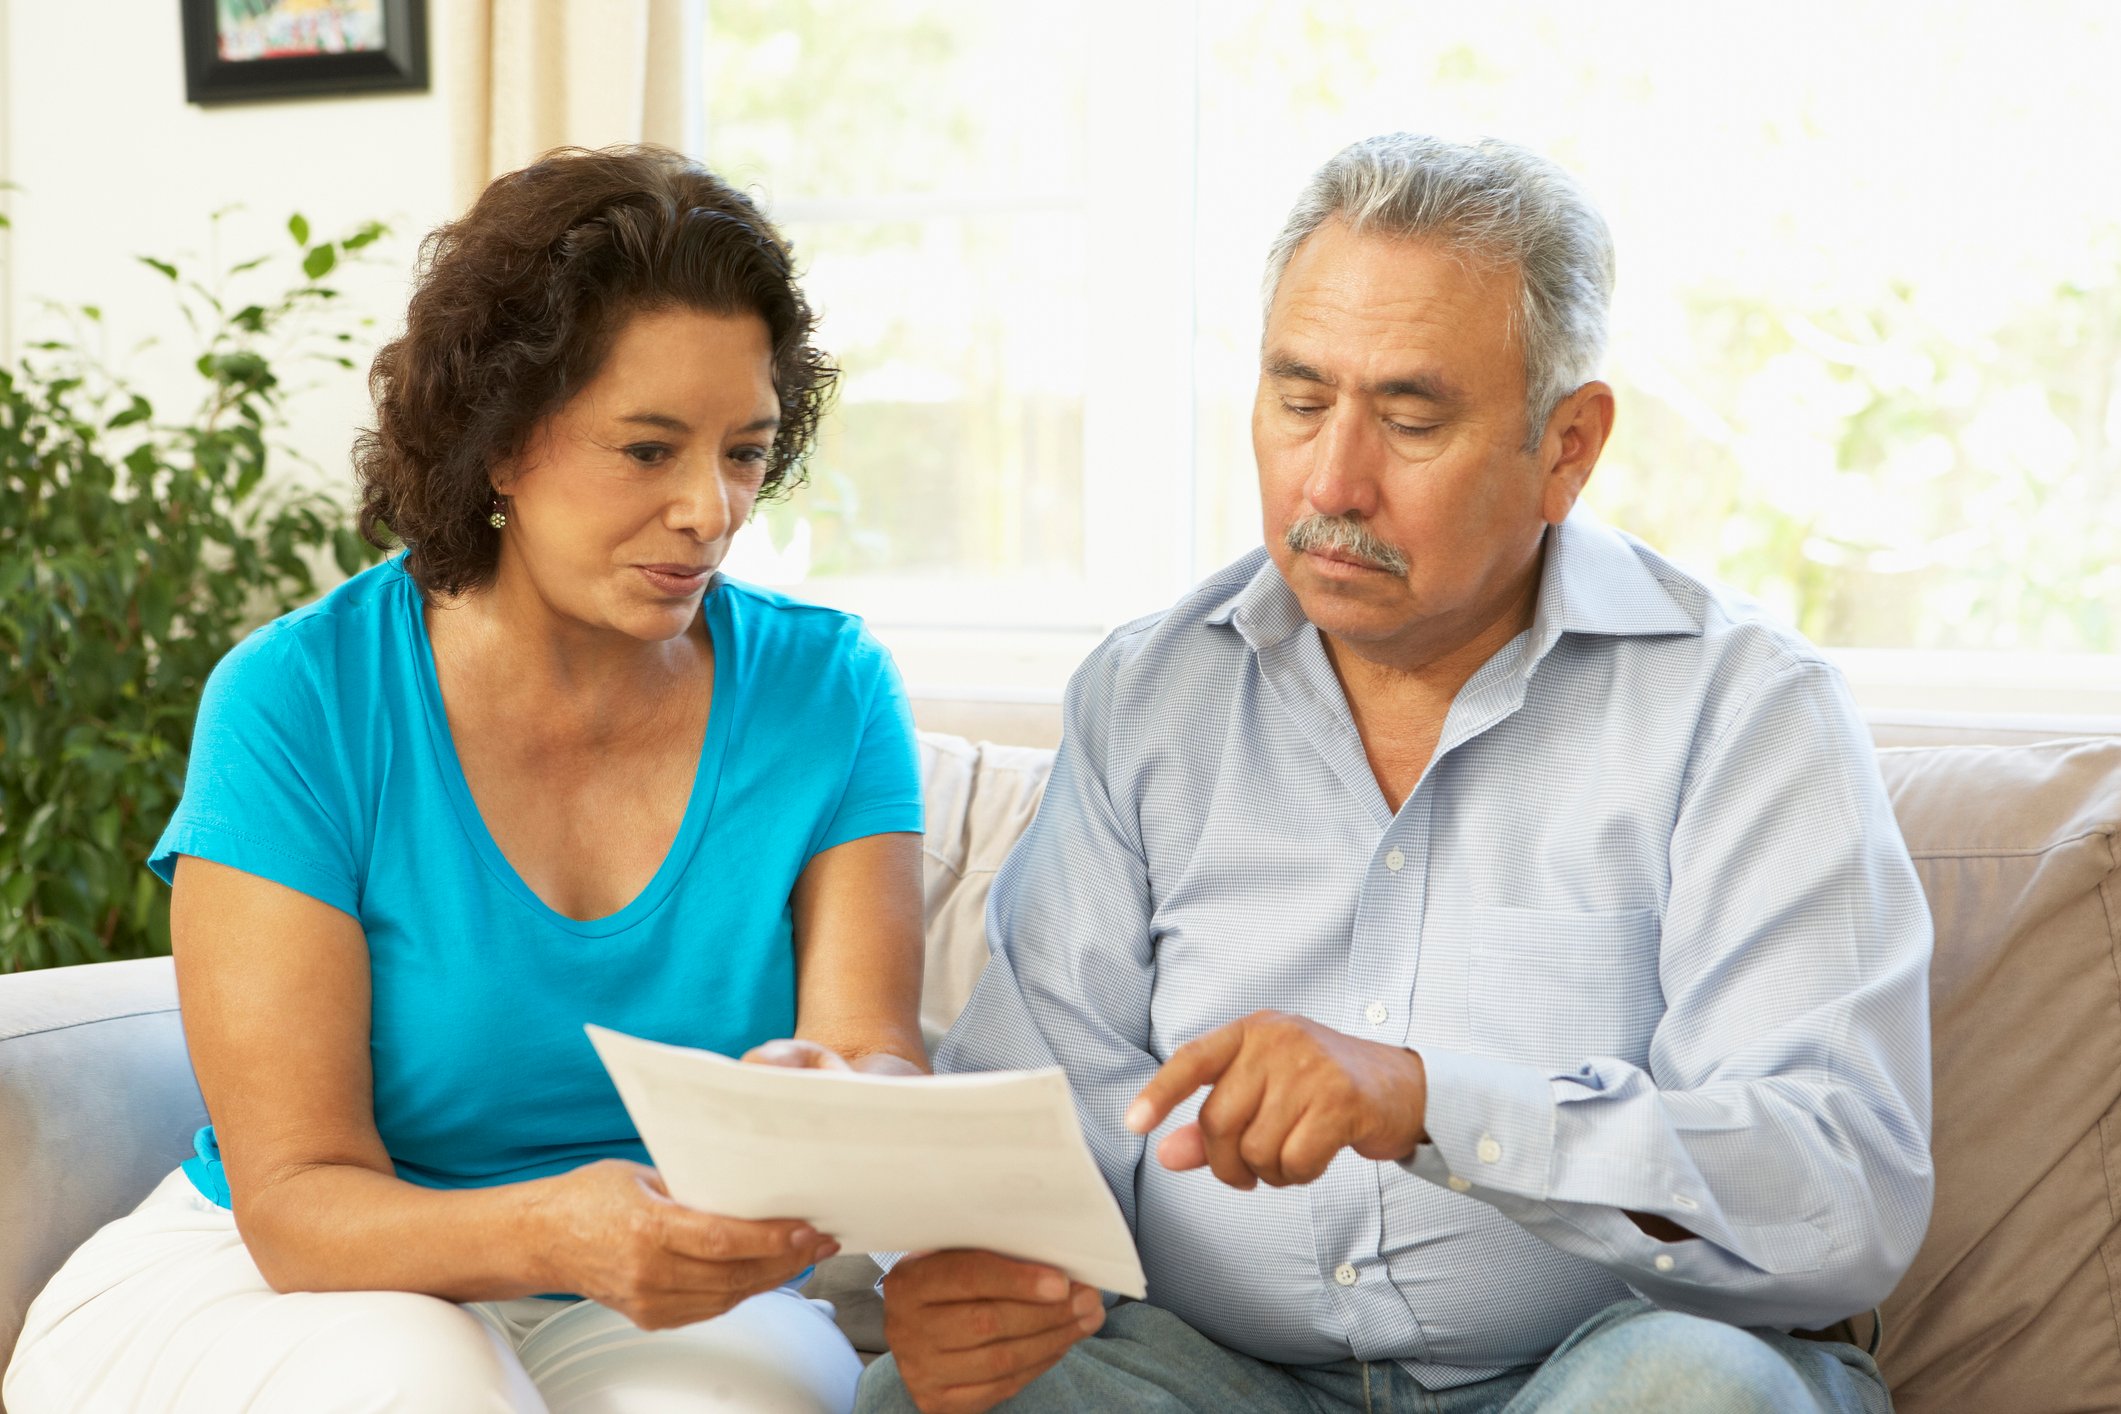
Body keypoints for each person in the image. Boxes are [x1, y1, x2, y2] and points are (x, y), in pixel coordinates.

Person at [859, 134, 1931, 1414]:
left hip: (1599, 1372)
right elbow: (1031, 1118)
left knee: (1686, 1392)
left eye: (1411, 417)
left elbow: (1838, 1185)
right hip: (1210, 1378)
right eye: (1299, 398)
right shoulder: (1147, 698)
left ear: (1568, 445)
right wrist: (964, 1273)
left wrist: (1431, 1102)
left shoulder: (1745, 710)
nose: (1331, 481)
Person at [3, 146, 928, 1414]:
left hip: (651, 1289)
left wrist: (846, 1105)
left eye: (746, 451)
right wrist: (552, 1230)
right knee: (422, 1380)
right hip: (292, 1274)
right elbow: (298, 1201)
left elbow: (872, 1052)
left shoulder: (829, 692)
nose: (710, 510)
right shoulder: (302, 700)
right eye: (648, 450)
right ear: (500, 442)